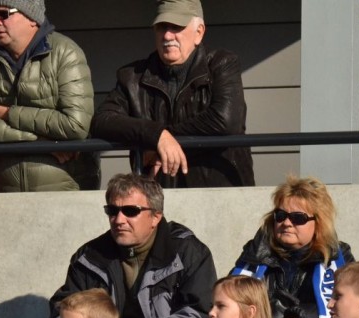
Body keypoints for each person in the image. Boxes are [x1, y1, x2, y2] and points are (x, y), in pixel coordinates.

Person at [91, 0, 253, 188]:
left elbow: (225, 121)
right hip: (157, 195)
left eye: (176, 27)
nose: (167, 35)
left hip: (220, 191)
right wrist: (157, 135)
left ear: (199, 32)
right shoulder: (132, 77)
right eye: (161, 27)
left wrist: (163, 140)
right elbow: (102, 121)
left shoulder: (222, 64)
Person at [47, 173, 215, 318]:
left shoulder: (188, 252)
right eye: (112, 211)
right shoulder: (88, 258)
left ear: (156, 217)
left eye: (131, 211)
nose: (119, 220)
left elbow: (201, 317)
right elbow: (59, 314)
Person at [232, 175, 354, 318]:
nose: (287, 223)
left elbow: (347, 305)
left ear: (319, 223)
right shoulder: (256, 253)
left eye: (298, 218)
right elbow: (231, 297)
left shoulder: (338, 258)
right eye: (281, 216)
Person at [0, 1, 98, 192]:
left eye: (4, 14)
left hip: (66, 188)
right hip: (9, 191)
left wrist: (8, 114)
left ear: (32, 18)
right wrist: (43, 142)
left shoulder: (65, 53)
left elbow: (75, 125)